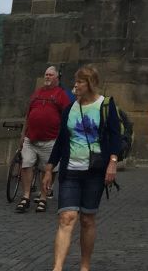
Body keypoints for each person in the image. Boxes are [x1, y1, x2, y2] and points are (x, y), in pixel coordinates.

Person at [43, 65, 121, 271]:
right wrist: (50, 167)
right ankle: (57, 267)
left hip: (94, 172)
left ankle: (84, 266)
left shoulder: (106, 105)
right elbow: (61, 141)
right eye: (75, 81)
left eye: (79, 82)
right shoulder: (70, 108)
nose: (75, 85)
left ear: (90, 84)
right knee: (66, 217)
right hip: (70, 170)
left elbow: (115, 137)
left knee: (87, 219)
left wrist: (112, 162)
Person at [15, 65, 70, 213]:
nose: (47, 77)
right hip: (31, 138)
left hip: (50, 139)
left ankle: (44, 197)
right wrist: (22, 135)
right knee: (26, 165)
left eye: (51, 75)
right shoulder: (36, 93)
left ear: (57, 78)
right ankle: (26, 196)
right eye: (46, 74)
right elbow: (28, 115)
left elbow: (67, 117)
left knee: (48, 170)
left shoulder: (61, 95)